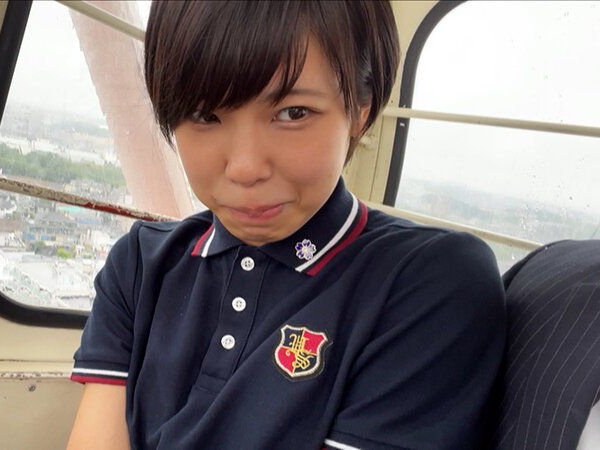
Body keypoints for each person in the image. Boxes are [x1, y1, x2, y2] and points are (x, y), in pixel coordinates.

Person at [67, 2, 506, 449]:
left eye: (293, 112)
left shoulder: (427, 281)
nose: (245, 168)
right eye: (204, 116)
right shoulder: (140, 265)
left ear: (361, 109)